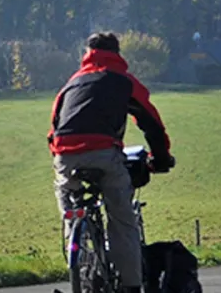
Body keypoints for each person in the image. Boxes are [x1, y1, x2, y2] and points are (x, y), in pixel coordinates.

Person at [48, 32, 175, 293]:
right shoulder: (123, 80)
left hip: (65, 154)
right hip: (104, 153)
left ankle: (78, 253)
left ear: (86, 54)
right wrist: (161, 158)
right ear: (117, 53)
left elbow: (54, 127)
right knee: (122, 221)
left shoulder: (72, 83)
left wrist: (62, 155)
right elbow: (150, 121)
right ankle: (131, 286)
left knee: (69, 205)